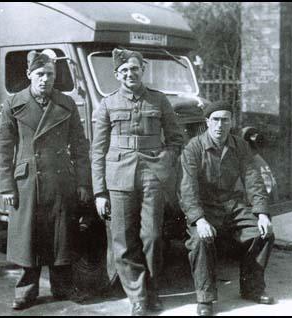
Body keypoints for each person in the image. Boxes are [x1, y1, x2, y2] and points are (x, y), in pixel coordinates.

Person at [0, 50, 91, 310]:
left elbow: (80, 147)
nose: (45, 79)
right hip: (27, 181)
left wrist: (83, 183)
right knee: (29, 237)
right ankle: (26, 291)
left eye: (50, 74)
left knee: (61, 237)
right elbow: (3, 149)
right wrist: (6, 186)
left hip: (60, 179)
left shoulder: (66, 104)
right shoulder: (13, 104)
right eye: (40, 74)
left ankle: (62, 287)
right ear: (29, 75)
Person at [91, 48, 184, 315]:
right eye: (124, 71)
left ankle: (152, 289)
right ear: (116, 75)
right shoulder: (107, 104)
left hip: (151, 176)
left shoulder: (159, 101)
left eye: (134, 69)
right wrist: (99, 191)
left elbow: (176, 139)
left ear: (143, 70)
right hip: (118, 177)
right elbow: (97, 151)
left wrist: (164, 160)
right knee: (122, 240)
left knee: (153, 236)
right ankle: (138, 297)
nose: (130, 74)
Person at [179, 101, 275, 316]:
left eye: (225, 120)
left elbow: (253, 179)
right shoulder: (194, 147)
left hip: (232, 205)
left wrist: (261, 213)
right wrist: (199, 220)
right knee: (199, 240)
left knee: (262, 233)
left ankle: (252, 288)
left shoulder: (240, 145)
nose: (220, 125)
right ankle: (205, 298)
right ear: (207, 122)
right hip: (205, 208)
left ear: (231, 122)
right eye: (215, 120)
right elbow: (187, 189)